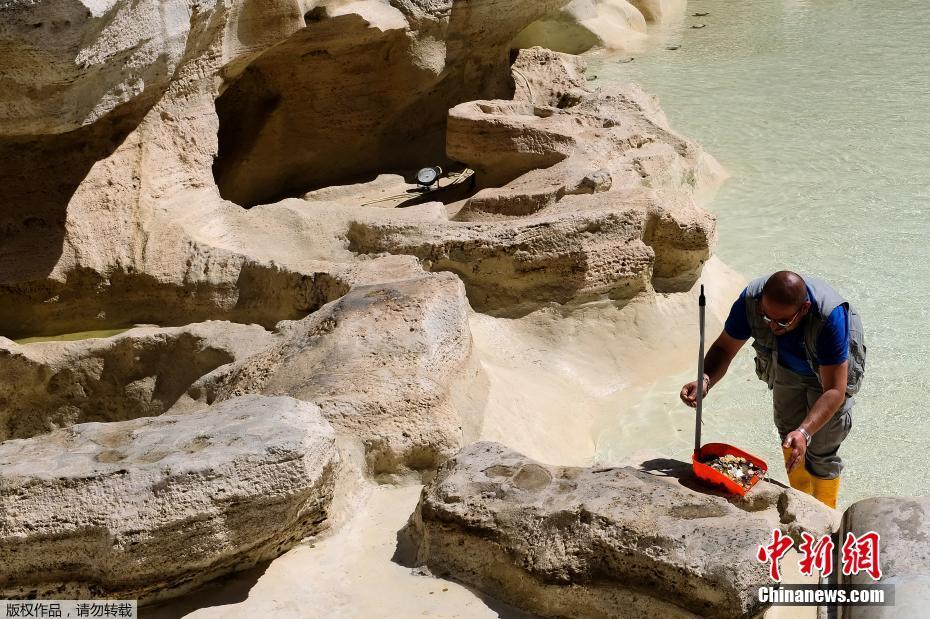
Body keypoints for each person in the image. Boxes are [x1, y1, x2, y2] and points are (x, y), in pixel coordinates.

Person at [680, 271, 866, 508]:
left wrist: (805, 431)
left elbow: (834, 390)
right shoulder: (751, 301)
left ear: (805, 308)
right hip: (786, 366)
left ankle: (825, 513)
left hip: (828, 373)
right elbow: (724, 348)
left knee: (821, 450)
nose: (772, 326)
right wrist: (705, 379)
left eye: (783, 322)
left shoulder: (830, 317)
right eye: (766, 318)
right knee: (789, 436)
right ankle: (801, 505)